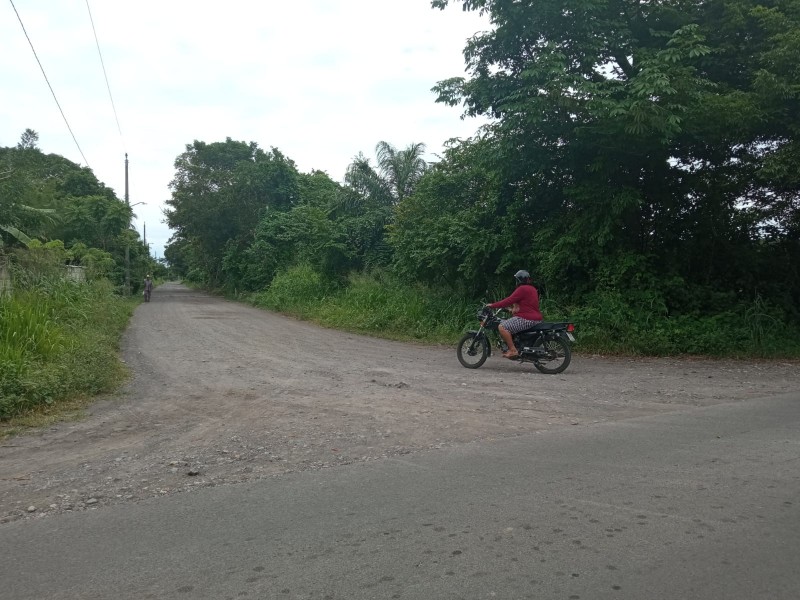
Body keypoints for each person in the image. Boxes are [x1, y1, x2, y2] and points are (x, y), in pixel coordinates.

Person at [487, 269, 543, 359]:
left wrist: (493, 305)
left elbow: (509, 300)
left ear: (519, 280)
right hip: (536, 318)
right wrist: (513, 309)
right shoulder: (532, 289)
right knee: (510, 325)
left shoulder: (521, 289)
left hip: (526, 319)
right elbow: (525, 305)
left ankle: (513, 350)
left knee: (502, 327)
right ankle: (517, 347)